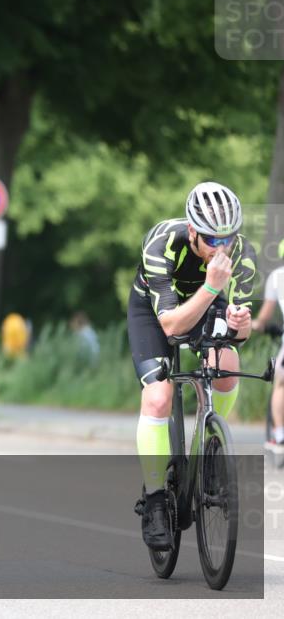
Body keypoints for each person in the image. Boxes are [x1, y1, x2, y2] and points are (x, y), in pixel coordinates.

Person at [128, 182, 255, 551]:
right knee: (157, 398)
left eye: (228, 240)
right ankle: (154, 500)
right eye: (213, 240)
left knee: (227, 365)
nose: (221, 249)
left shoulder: (242, 253)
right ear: (193, 231)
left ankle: (209, 446)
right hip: (156, 314)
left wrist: (241, 325)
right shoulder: (161, 243)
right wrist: (213, 287)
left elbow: (238, 328)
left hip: (206, 304)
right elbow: (170, 326)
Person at [252, 238, 284, 454]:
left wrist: (256, 324)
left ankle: (280, 434)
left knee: (281, 383)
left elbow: (264, 318)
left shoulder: (277, 277)